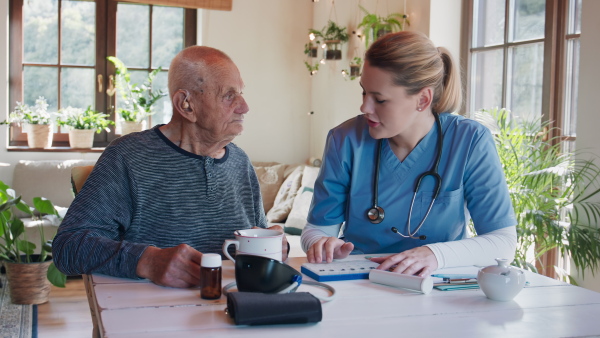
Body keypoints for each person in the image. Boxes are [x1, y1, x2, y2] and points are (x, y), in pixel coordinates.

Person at [52, 46, 287, 288]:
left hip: (235, 311)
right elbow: (68, 247)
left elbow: (257, 234)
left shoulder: (240, 163)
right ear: (186, 104)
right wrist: (147, 261)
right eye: (228, 95)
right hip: (151, 316)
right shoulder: (128, 157)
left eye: (240, 93)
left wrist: (275, 243)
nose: (244, 106)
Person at [301, 31, 517, 277]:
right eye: (364, 92)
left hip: (438, 285)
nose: (364, 107)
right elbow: (316, 230)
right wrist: (323, 244)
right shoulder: (346, 140)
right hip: (360, 280)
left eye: (379, 100)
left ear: (423, 100)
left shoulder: (469, 141)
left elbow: (503, 242)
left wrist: (435, 255)